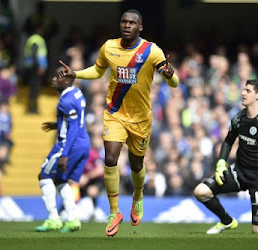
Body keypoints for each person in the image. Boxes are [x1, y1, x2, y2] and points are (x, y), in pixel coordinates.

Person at [59, 9, 179, 236]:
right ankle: (114, 212)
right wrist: (75, 74)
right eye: (124, 21)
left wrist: (171, 74)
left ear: (139, 27)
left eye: (132, 23)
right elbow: (97, 71)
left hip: (141, 119)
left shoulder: (151, 51)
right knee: (111, 157)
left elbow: (173, 82)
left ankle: (138, 195)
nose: (126, 25)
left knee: (136, 165)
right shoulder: (109, 47)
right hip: (115, 114)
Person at [194, 79, 258, 235]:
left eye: (247, 91)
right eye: (243, 90)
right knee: (201, 191)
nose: (242, 93)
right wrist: (220, 163)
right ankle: (227, 221)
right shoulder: (238, 118)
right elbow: (228, 141)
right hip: (238, 172)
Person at [35, 67, 90, 233]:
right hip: (83, 142)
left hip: (69, 144)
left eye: (57, 76)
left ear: (66, 80)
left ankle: (53, 219)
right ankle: (72, 219)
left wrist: (64, 154)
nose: (53, 79)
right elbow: (75, 120)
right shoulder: (77, 92)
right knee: (60, 180)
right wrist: (58, 124)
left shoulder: (65, 101)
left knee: (44, 176)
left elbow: (72, 127)